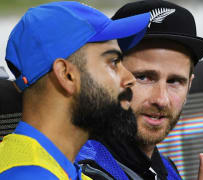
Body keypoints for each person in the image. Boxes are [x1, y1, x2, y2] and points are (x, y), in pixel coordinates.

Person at [77, 1, 203, 180]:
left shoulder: (164, 168)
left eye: (175, 81)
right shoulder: (78, 168)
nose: (161, 99)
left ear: (190, 84)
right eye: (143, 77)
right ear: (106, 75)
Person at [0, 1, 150, 179]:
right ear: (66, 75)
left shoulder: (59, 167)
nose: (130, 79)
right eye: (113, 62)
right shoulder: (29, 174)